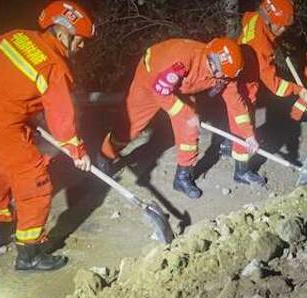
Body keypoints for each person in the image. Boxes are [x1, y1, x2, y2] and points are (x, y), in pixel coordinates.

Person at [0, 0, 94, 271]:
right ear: (62, 34)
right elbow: (61, 119)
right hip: (5, 133)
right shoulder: (54, 67)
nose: (82, 47)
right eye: (80, 41)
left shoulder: (18, 37)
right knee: (36, 186)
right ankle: (30, 254)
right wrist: (77, 151)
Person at [99, 37, 258, 199]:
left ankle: (182, 177)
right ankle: (106, 155)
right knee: (131, 128)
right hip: (151, 78)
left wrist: (249, 135)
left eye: (227, 77)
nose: (224, 80)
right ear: (211, 62)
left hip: (179, 88)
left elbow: (236, 104)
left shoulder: (225, 74)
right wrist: (186, 113)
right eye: (222, 76)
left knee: (189, 129)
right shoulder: (183, 59)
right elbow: (161, 91)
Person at [232, 0, 307, 183]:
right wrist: (297, 90)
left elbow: (246, 17)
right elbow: (275, 86)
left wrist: (272, 39)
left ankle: (228, 144)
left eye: (285, 26)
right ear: (268, 19)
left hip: (237, 69)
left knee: (235, 120)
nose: (283, 30)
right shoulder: (261, 46)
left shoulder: (254, 18)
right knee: (245, 123)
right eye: (280, 25)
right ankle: (241, 172)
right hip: (245, 83)